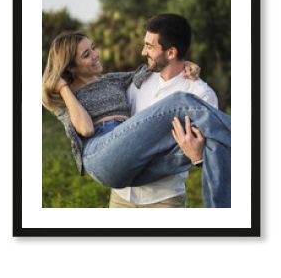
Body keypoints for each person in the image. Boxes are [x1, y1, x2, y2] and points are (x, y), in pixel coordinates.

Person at [42, 27, 231, 207]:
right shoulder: (62, 99)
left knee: (200, 142)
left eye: (93, 48)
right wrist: (63, 87)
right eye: (86, 55)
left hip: (131, 162)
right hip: (100, 154)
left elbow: (155, 66)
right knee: (180, 101)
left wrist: (185, 64)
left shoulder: (113, 80)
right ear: (71, 67)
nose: (95, 54)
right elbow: (86, 129)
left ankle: (226, 209)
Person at [110, 14, 219, 208]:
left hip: (164, 201)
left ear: (171, 53)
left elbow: (214, 156)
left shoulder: (201, 95)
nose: (143, 52)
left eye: (150, 46)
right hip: (120, 197)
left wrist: (199, 157)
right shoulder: (137, 83)